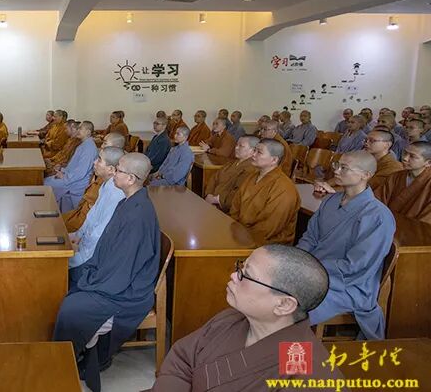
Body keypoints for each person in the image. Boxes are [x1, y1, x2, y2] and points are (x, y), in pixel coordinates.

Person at [151, 245, 341, 391]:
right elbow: (181, 359)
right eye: (240, 266)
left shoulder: (310, 376)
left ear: (284, 305)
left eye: (246, 275)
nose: (234, 275)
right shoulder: (232, 319)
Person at [54, 153, 160, 392]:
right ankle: (74, 359)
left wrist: (93, 280)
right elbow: (107, 247)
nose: (114, 172)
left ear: (131, 178)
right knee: (72, 292)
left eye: (119, 170)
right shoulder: (127, 201)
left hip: (126, 291)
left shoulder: (138, 215)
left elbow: (124, 264)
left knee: (72, 309)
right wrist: (92, 271)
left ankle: (63, 368)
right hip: (112, 275)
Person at [297, 151, 395, 340]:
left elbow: (356, 265)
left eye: (345, 168)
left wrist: (310, 270)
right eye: (337, 165)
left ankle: (298, 365)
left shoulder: (378, 216)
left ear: (366, 175)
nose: (337, 171)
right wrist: (296, 261)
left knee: (290, 305)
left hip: (348, 284)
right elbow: (310, 237)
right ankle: (263, 358)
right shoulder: (331, 200)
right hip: (314, 270)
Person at [229, 139, 300, 245]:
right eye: (254, 150)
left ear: (274, 159)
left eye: (259, 152)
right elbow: (235, 206)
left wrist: (243, 236)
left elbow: (269, 227)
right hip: (240, 232)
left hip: (268, 244)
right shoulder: (252, 176)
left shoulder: (284, 188)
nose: (253, 154)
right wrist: (234, 228)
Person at [68, 147, 126, 268]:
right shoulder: (107, 184)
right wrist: (77, 235)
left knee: (54, 261)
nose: (94, 162)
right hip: (85, 243)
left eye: (99, 160)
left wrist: (80, 248)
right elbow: (92, 215)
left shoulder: (116, 193)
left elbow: (101, 231)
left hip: (91, 254)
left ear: (111, 169)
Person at [62, 132, 126, 232]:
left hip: (87, 217)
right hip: (84, 211)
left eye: (105, 143)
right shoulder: (105, 172)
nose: (102, 145)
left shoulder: (115, 184)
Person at [45, 121, 99, 212]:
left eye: (81, 129)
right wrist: (62, 170)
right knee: (47, 180)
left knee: (46, 184)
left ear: (88, 132)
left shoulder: (89, 148)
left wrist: (65, 176)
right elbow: (74, 166)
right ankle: (55, 211)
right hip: (71, 177)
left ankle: (50, 212)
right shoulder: (84, 144)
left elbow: (81, 172)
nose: (78, 130)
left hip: (76, 182)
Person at [374, 141, 431, 223]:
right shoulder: (396, 176)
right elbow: (378, 199)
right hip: (383, 224)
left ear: (428, 163)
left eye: (412, 156)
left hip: (411, 231)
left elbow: (426, 220)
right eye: (405, 153)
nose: (405, 158)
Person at [205, 136, 259, 212]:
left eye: (241, 146)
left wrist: (217, 200)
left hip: (225, 208)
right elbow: (214, 178)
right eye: (236, 145)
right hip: (211, 201)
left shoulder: (251, 169)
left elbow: (238, 192)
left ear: (253, 151)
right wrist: (209, 194)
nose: (236, 148)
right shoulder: (231, 163)